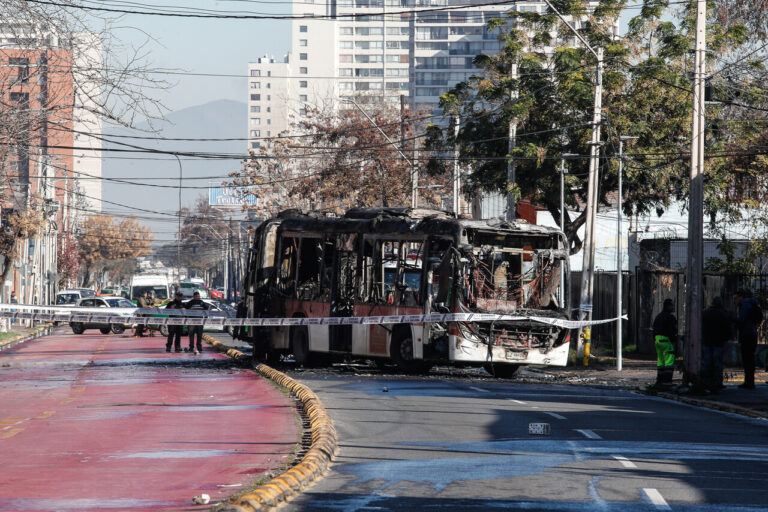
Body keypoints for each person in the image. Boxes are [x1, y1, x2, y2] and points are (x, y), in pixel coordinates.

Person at [701, 296, 732, 392]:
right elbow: (728, 329)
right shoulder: (723, 314)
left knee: (707, 362)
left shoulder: (705, 313)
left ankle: (706, 382)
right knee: (717, 363)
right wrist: (726, 338)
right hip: (718, 342)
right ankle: (717, 383)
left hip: (707, 341)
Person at [734, 288, 759, 389]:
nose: (734, 301)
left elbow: (741, 320)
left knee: (747, 359)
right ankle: (749, 381)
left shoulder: (745, 306)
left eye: (735, 298)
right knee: (750, 359)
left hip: (747, 335)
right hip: (752, 333)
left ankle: (749, 382)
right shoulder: (751, 304)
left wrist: (732, 319)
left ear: (741, 297)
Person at [653, 298, 677, 385]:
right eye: (672, 305)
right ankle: (667, 380)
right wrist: (674, 340)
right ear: (668, 306)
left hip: (657, 341)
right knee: (669, 361)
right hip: (666, 341)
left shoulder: (658, 316)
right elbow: (672, 330)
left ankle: (660, 379)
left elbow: (654, 329)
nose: (674, 307)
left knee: (661, 360)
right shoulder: (670, 318)